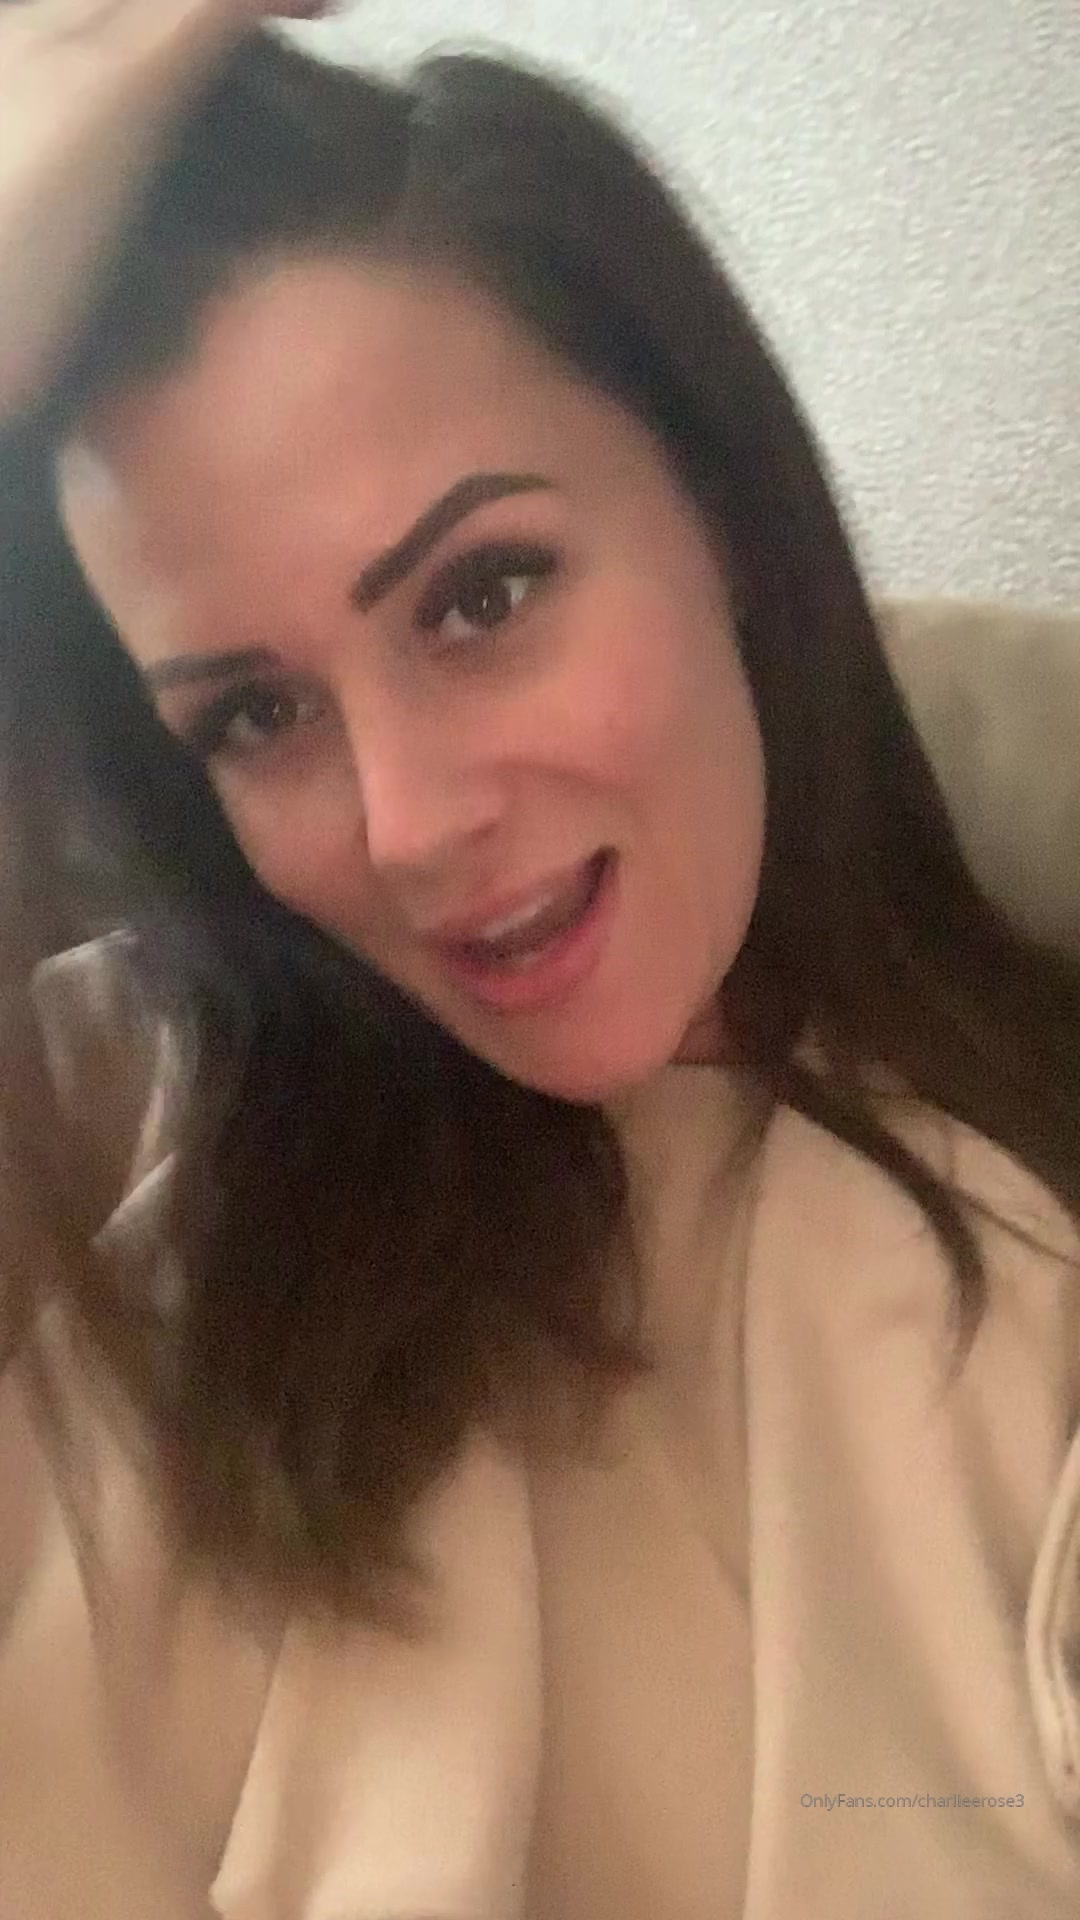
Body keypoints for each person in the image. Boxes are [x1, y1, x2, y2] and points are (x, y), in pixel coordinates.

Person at [0, 7, 1079, 1916]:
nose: (408, 826)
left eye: (480, 594)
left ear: (722, 510)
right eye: (255, 714)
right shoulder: (108, 1127)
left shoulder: (1030, 1251)